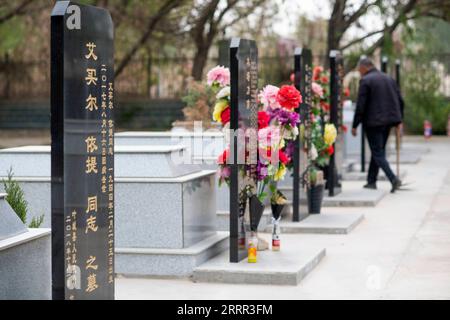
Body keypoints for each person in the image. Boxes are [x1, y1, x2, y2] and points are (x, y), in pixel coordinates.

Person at [352, 58, 404, 193]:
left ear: (364, 67)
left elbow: (360, 105)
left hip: (373, 122)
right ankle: (371, 181)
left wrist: (355, 125)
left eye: (359, 70)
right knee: (379, 151)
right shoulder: (389, 79)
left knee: (377, 152)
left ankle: (393, 179)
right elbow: (400, 101)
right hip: (388, 122)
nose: (359, 72)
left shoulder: (366, 81)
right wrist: (399, 121)